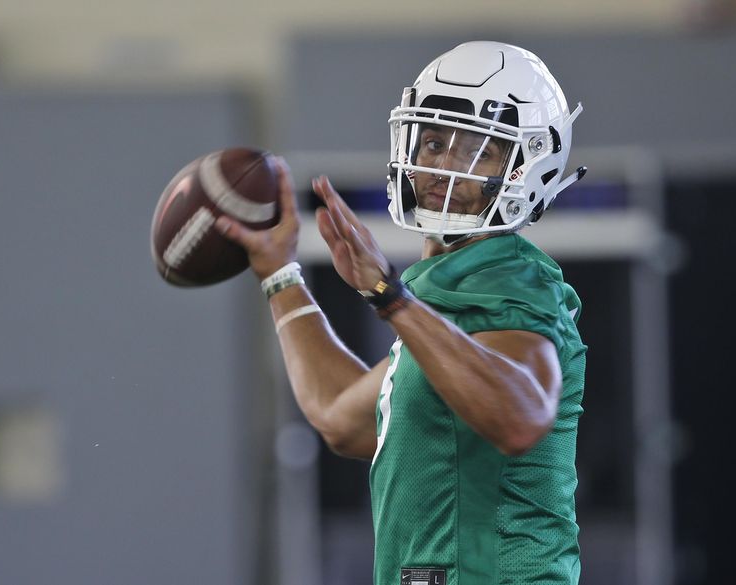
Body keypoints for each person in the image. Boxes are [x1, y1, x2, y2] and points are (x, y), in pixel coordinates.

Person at [217, 40, 587, 585]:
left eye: (475, 150)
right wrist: (281, 275)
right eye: (434, 141)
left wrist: (392, 299)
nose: (441, 166)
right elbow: (341, 417)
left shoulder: (512, 276)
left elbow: (520, 416)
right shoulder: (436, 299)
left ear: (526, 167)